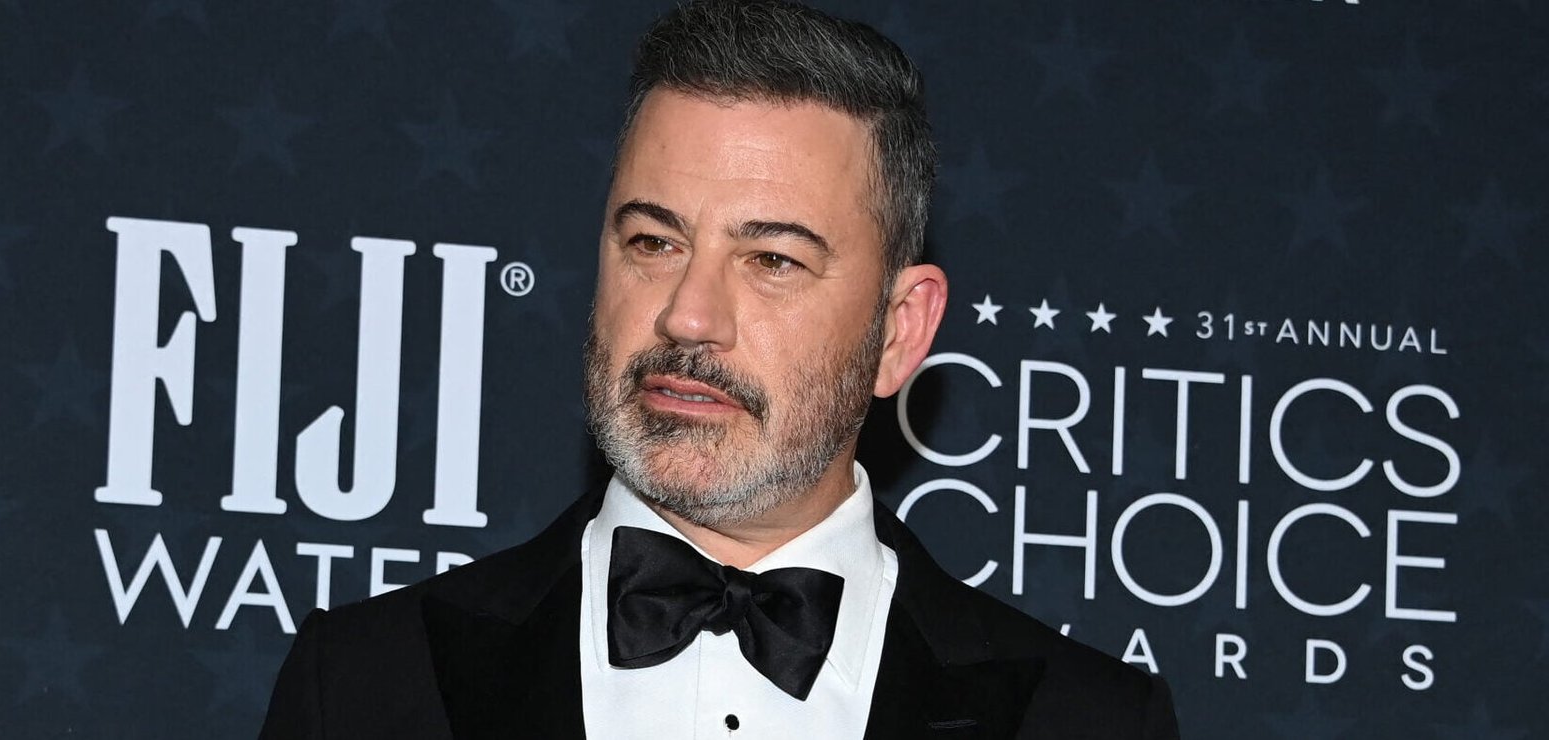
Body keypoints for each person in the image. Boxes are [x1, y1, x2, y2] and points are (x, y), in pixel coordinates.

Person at [261, 1, 1179, 737]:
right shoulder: (366, 685)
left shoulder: (1088, 722)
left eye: (772, 259)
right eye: (653, 242)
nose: (688, 315)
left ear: (898, 333)